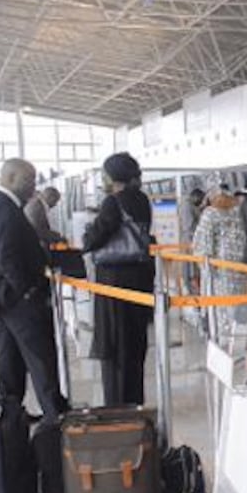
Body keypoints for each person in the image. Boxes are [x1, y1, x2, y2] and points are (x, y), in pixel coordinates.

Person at [0, 158, 67, 421]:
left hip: (2, 298)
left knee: (10, 358)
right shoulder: (4, 209)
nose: (33, 185)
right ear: (12, 178)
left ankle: (11, 413)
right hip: (17, 299)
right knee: (40, 356)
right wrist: (25, 291)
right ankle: (55, 415)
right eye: (30, 179)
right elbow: (7, 257)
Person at [81, 152, 156, 407]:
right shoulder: (142, 199)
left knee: (115, 345)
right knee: (135, 344)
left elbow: (94, 240)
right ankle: (135, 403)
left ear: (111, 175)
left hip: (115, 280)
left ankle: (117, 407)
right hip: (140, 277)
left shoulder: (114, 202)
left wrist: (89, 231)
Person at [192, 185, 247, 297]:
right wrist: (208, 267)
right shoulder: (210, 215)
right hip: (219, 272)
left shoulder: (237, 213)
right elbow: (201, 247)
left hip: (236, 269)